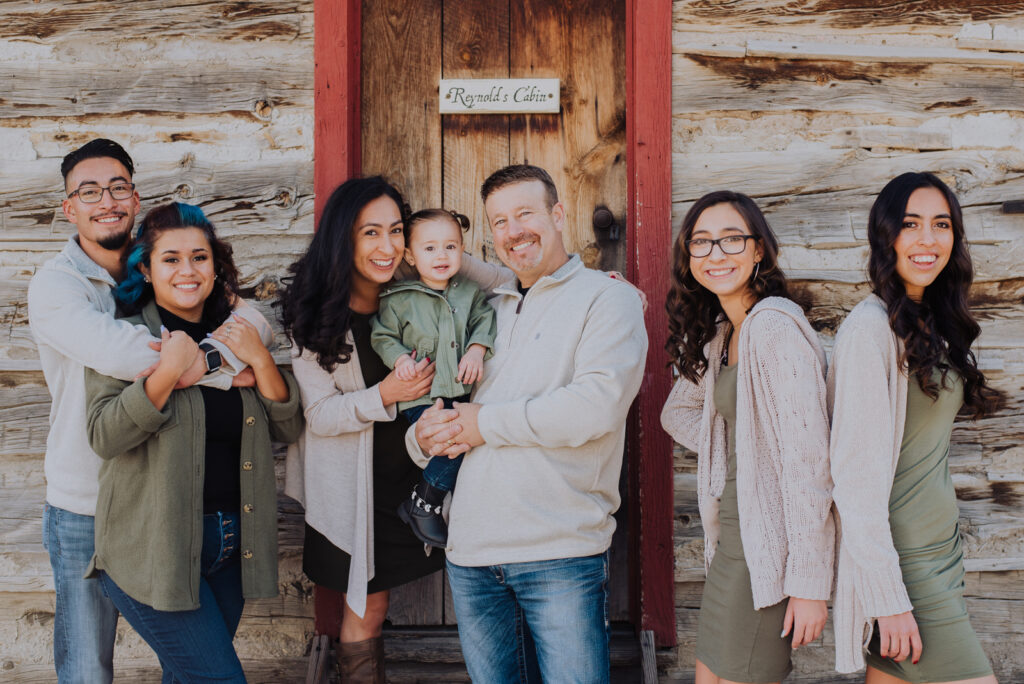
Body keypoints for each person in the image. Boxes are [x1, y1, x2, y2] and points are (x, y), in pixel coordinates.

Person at [27, 139, 269, 683]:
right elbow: (125, 353)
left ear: (135, 197)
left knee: (189, 667)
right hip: (86, 502)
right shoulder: (57, 285)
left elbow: (253, 318)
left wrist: (218, 350)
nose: (105, 200)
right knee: (88, 665)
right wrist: (228, 364)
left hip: (166, 502)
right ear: (69, 208)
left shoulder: (162, 256)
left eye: (117, 187)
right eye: (88, 192)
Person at [410, 164, 647, 683]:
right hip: (471, 553)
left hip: (558, 551)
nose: (513, 231)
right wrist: (420, 436)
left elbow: (595, 407)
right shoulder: (485, 308)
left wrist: (483, 425)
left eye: (525, 214)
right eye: (499, 221)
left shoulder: (609, 299)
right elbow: (444, 401)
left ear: (558, 214)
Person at [279, 177, 510, 682]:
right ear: (344, 238)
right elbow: (318, 416)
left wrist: (447, 248)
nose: (387, 248)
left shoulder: (423, 281)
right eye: (370, 234)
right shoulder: (314, 317)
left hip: (422, 477)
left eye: (396, 231)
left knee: (479, 580)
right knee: (366, 609)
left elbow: (500, 281)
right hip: (353, 486)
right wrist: (386, 395)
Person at [83, 202, 303, 682]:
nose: (188, 270)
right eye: (171, 259)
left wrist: (261, 361)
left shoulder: (236, 335)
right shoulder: (126, 337)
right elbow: (104, 434)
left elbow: (287, 427)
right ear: (145, 267)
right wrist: (166, 372)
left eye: (200, 258)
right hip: (152, 548)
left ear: (215, 265)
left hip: (231, 545)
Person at [829, 173, 1001, 682]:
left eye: (941, 224)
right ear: (886, 236)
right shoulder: (869, 330)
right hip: (904, 564)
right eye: (911, 224)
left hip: (939, 554)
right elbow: (854, 478)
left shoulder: (928, 321)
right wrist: (887, 596)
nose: (928, 239)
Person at [659, 191, 835, 684]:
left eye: (732, 239)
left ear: (759, 250)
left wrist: (808, 581)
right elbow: (677, 413)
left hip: (770, 560)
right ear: (688, 256)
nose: (716, 254)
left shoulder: (773, 328)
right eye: (702, 242)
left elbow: (809, 465)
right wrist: (742, 449)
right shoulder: (724, 334)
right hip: (732, 547)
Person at [370, 208, 497, 548]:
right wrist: (399, 359)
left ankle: (421, 503)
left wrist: (475, 350)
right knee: (451, 440)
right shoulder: (399, 300)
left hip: (459, 391)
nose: (441, 255)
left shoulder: (470, 294)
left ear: (462, 249)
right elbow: (382, 336)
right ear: (410, 255)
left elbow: (485, 321)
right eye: (429, 249)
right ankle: (425, 503)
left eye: (451, 247)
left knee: (461, 442)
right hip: (421, 395)